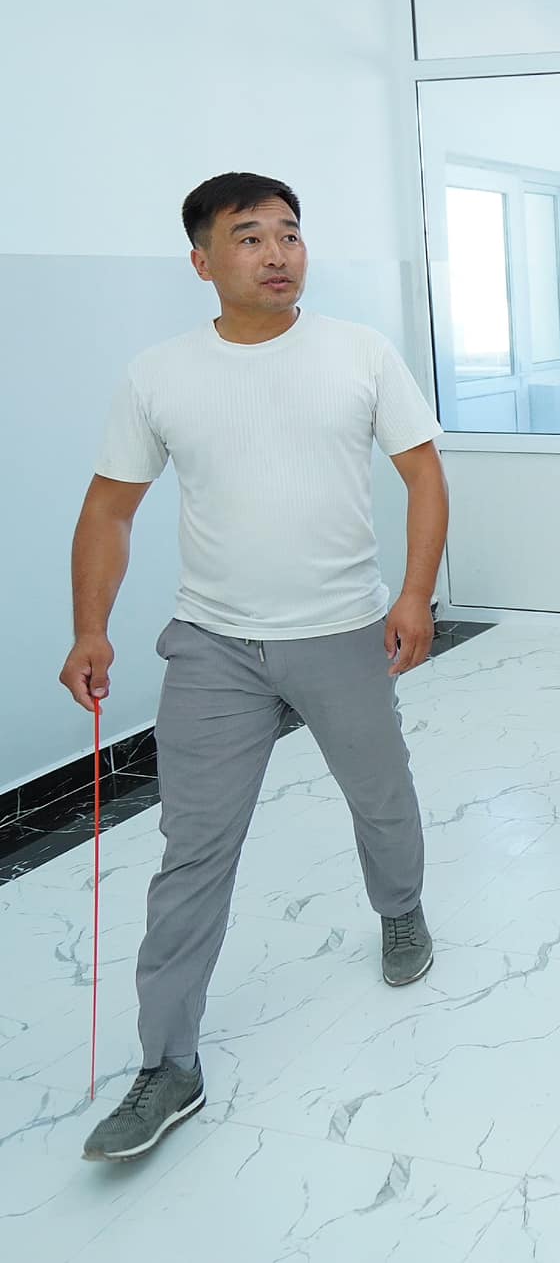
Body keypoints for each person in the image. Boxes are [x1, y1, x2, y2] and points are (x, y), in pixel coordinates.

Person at [61, 173, 447, 1164]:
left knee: (381, 796)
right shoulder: (159, 374)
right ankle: (167, 1064)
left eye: (289, 234)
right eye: (249, 237)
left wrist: (413, 596)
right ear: (202, 261)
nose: (277, 253)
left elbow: (422, 474)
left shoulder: (360, 353)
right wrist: (90, 627)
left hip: (342, 630)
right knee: (192, 850)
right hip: (213, 644)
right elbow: (109, 509)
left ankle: (400, 910)